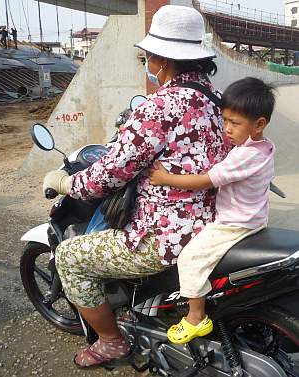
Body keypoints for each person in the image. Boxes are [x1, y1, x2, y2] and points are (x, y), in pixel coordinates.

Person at [42, 5, 229, 369]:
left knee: (70, 257)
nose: (148, 62)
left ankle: (112, 342)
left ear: (161, 58)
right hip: (215, 222)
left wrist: (67, 182)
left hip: (166, 235)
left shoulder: (161, 106)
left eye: (148, 57)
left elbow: (110, 173)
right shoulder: (216, 100)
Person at [149, 77, 276, 344]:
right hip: (253, 216)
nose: (227, 129)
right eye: (225, 120)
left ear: (259, 124)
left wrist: (166, 179)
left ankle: (197, 318)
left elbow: (206, 180)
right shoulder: (261, 147)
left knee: (190, 259)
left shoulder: (245, 156)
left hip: (235, 222)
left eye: (235, 123)